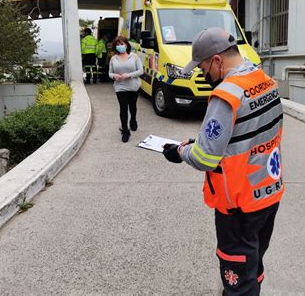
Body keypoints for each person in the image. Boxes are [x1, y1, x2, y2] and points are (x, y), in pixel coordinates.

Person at [162, 27, 284, 295]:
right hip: (269, 192)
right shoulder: (263, 79)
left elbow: (206, 157)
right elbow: (245, 135)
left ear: (217, 60)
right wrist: (202, 143)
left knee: (237, 277)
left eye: (203, 67)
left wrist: (180, 152)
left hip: (239, 204)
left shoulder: (226, 95)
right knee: (253, 263)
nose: (202, 74)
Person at [109, 35, 143, 143]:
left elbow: (140, 71)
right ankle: (125, 130)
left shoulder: (134, 57)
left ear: (126, 45)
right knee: (123, 108)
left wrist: (129, 75)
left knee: (132, 106)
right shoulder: (113, 58)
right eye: (118, 45)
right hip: (120, 87)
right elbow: (110, 72)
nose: (120, 46)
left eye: (122, 44)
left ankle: (133, 119)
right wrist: (114, 76)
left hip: (133, 86)